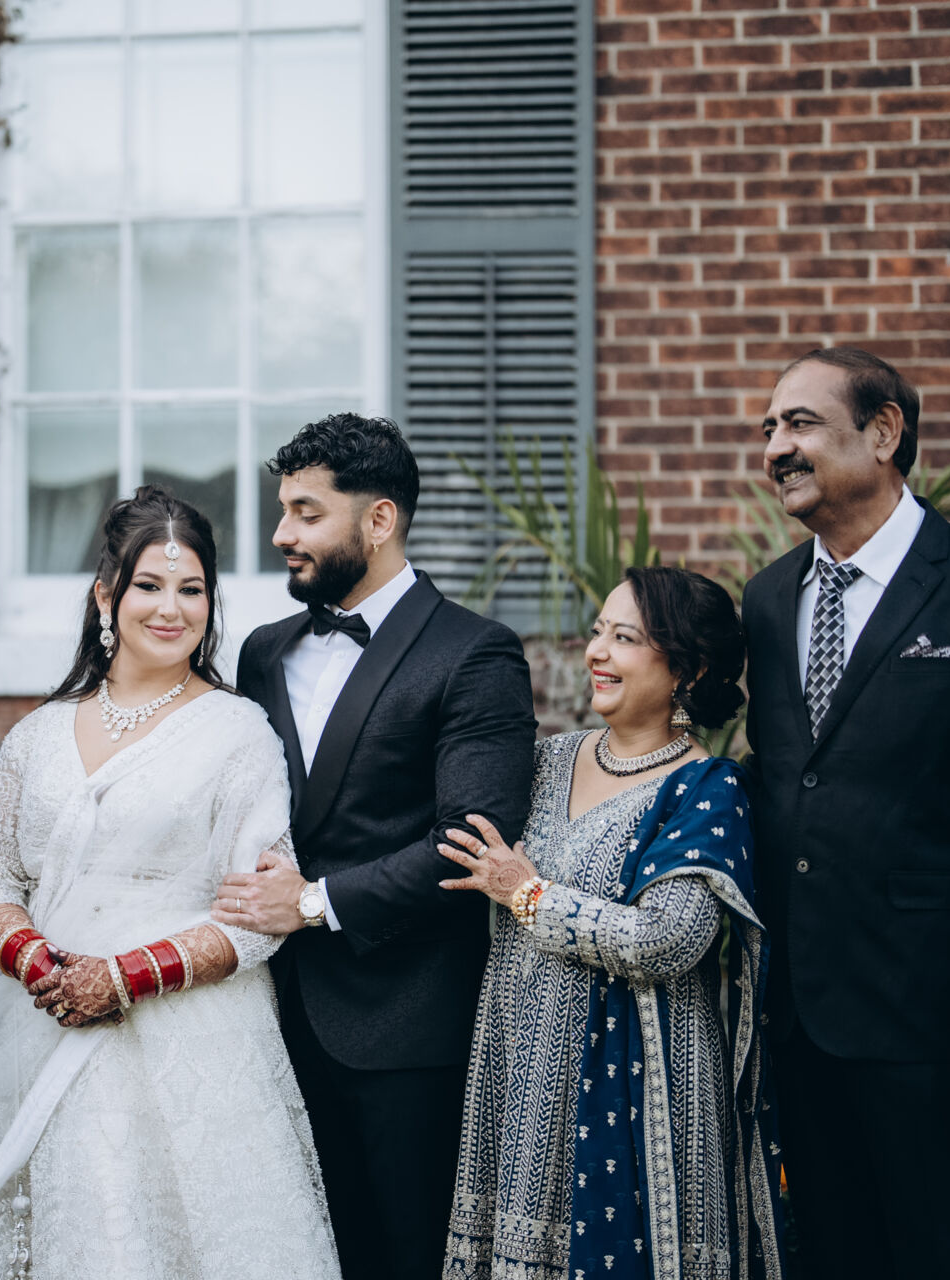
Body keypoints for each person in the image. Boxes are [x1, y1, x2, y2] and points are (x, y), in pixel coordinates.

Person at [0, 487, 339, 1280]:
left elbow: (257, 914)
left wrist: (122, 977)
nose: (171, 609)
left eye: (192, 589)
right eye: (149, 585)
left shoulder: (239, 734)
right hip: (42, 1022)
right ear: (106, 596)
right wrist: (44, 968)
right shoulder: (39, 733)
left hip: (188, 1046)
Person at [743, 348, 950, 1277]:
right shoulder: (766, 600)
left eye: (801, 423)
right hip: (801, 1028)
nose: (775, 448)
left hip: (934, 1034)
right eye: (769, 429)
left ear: (884, 432)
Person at [217, 414, 537, 1280]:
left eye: (306, 512)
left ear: (380, 520)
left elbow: (470, 845)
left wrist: (311, 903)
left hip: (406, 1030)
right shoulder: (263, 653)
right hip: (269, 1021)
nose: (282, 534)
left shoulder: (474, 654)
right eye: (283, 510)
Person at [436, 567, 783, 1280]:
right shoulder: (548, 760)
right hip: (522, 1064)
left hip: (637, 1086)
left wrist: (527, 895)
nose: (597, 650)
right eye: (598, 631)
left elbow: (668, 939)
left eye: (624, 638)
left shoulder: (706, 789)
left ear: (689, 669)